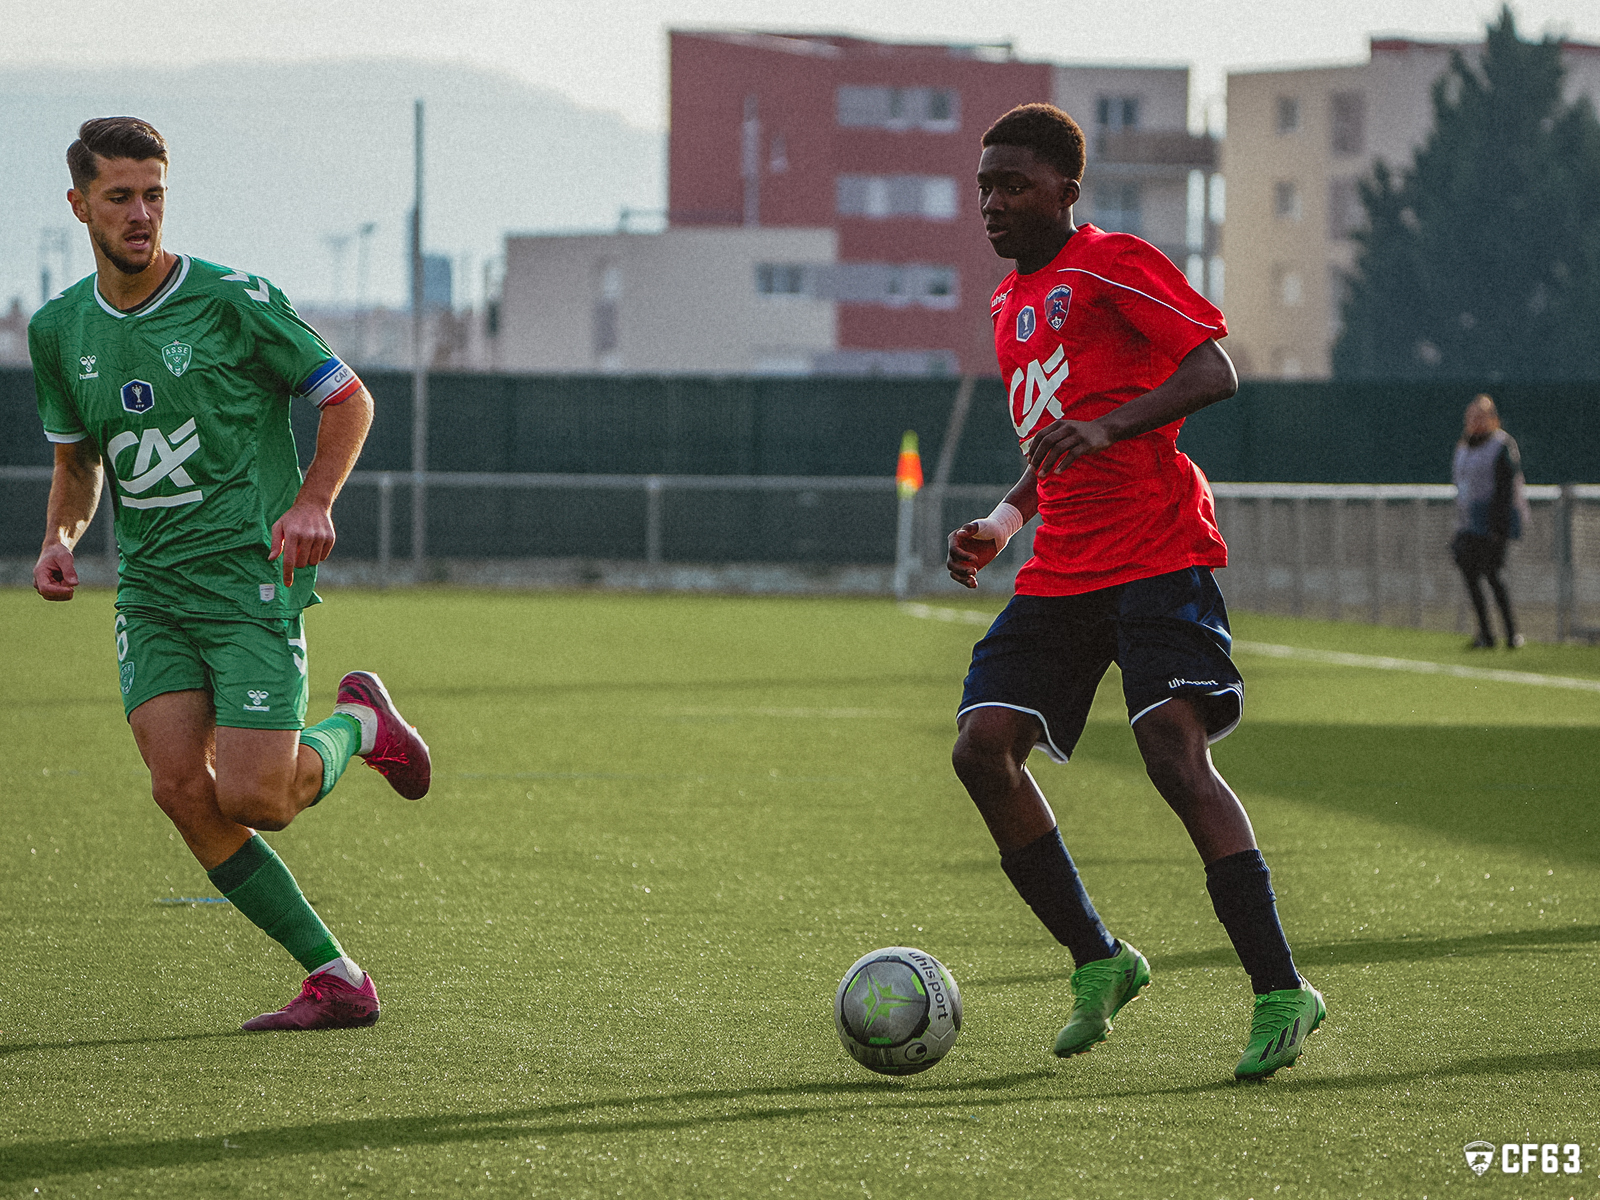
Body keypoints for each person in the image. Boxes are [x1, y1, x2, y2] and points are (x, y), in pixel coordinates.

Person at [945, 104, 1323, 1081]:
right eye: (984, 183)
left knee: (1169, 751)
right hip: (1063, 563)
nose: (992, 200)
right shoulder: (1005, 308)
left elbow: (1214, 369)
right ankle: (1100, 961)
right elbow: (1054, 443)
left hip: (1156, 547)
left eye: (1012, 183)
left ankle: (1281, 989)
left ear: (1065, 193)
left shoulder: (1112, 261)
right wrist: (1003, 520)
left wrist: (1116, 428)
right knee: (982, 748)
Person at [29, 117, 432, 1032]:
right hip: (152, 592)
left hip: (248, 578)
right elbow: (79, 464)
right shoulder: (58, 330)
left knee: (258, 798)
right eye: (122, 196)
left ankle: (359, 725)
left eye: (155, 194)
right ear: (79, 204)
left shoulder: (232, 301)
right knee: (179, 789)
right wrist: (59, 538)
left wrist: (315, 501)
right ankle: (336, 978)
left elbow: (347, 396)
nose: (141, 213)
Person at [1451, 394, 1529, 649]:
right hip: (1469, 522)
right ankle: (1485, 634)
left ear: (1492, 419)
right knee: (1471, 577)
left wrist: (1499, 527)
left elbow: (1506, 490)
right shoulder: (1464, 446)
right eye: (1471, 417)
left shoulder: (1501, 445)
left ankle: (1511, 633)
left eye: (1480, 417)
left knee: (1494, 576)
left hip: (1493, 522)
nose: (1475, 422)